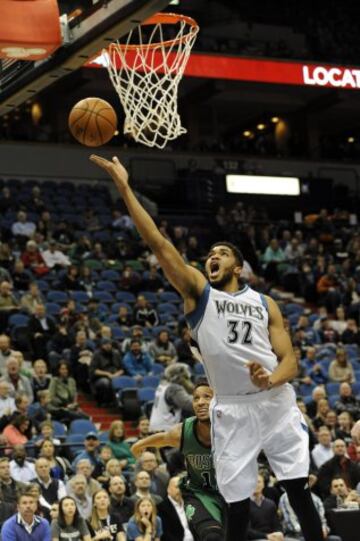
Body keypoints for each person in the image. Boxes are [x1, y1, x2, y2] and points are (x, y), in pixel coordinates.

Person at [90, 154, 324, 541]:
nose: (212, 256)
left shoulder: (266, 303)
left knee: (298, 488)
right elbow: (158, 243)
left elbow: (290, 362)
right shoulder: (199, 294)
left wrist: (270, 380)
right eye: (210, 253)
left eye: (222, 253)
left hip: (276, 399)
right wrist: (125, 188)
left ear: (238, 266)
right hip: (231, 407)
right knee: (235, 501)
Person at [132, 381, 225, 541]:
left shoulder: (231, 428)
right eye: (195, 398)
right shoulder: (185, 431)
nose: (200, 402)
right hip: (198, 494)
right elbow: (164, 438)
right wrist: (140, 444)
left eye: (207, 397)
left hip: (228, 494)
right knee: (211, 535)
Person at [149, 363, 194, 432]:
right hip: (165, 428)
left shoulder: (162, 385)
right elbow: (189, 404)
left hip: (156, 425)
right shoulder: (173, 388)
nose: (188, 380)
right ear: (178, 377)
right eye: (185, 377)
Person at [157, 476, 194, 541]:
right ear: (168, 489)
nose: (179, 490)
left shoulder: (190, 503)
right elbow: (165, 534)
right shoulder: (161, 508)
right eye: (177, 487)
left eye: (181, 487)